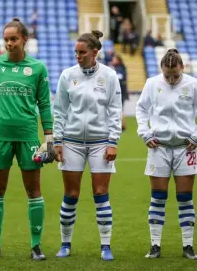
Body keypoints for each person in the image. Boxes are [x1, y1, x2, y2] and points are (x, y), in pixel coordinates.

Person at [0, 18, 55, 261]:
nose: (9, 44)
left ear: (24, 40)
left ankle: (36, 245)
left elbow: (44, 104)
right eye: (6, 39)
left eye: (13, 39)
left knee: (33, 190)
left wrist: (49, 138)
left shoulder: (38, 68)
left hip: (29, 137)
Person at [53, 30, 122, 260]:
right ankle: (65, 244)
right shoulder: (67, 75)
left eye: (82, 52)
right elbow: (60, 110)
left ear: (95, 52)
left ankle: (105, 245)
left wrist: (113, 141)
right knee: (70, 194)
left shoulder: (110, 76)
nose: (77, 56)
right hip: (71, 142)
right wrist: (58, 140)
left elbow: (114, 111)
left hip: (100, 143)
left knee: (101, 193)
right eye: (75, 52)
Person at [135, 48, 197, 260]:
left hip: (185, 148)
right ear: (161, 69)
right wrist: (144, 133)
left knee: (185, 198)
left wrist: (195, 136)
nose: (171, 79)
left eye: (175, 75)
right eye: (167, 75)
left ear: (182, 68)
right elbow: (141, 110)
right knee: (158, 198)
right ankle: (155, 245)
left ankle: (188, 246)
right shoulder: (152, 84)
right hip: (158, 147)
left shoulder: (193, 84)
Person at [110, 54, 129, 130]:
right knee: (118, 109)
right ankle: (120, 125)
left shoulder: (120, 68)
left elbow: (119, 77)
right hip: (119, 92)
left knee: (119, 109)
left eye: (114, 59)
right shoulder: (118, 68)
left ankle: (122, 125)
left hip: (121, 93)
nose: (112, 61)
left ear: (118, 60)